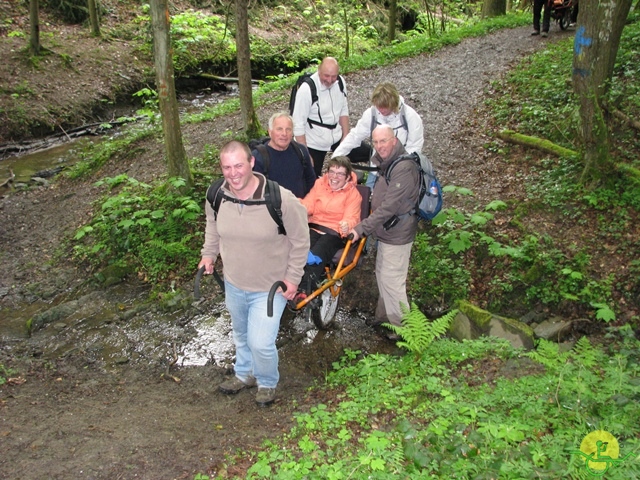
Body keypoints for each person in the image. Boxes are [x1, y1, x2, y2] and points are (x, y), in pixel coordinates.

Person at [198, 140, 309, 406]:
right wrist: (208, 253)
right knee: (241, 335)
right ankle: (244, 373)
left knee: (261, 342)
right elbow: (212, 225)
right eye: (227, 167)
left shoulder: (279, 198)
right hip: (234, 282)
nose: (233, 173)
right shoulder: (216, 194)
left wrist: (293, 278)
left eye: (238, 165)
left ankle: (267, 381)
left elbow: (300, 240)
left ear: (251, 163)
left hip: (270, 288)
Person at [348, 125, 420, 339]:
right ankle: (384, 319)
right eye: (376, 142)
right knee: (383, 275)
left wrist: (361, 229)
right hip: (387, 232)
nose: (380, 147)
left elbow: (389, 207)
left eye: (384, 141)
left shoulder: (404, 168)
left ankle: (406, 332)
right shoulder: (388, 163)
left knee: (393, 281)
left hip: (397, 233)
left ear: (394, 141)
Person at [332, 82, 423, 188]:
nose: (382, 110)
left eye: (385, 107)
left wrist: (399, 166)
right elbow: (355, 136)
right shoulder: (371, 114)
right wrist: (336, 157)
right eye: (379, 107)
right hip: (376, 171)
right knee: (368, 199)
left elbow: (415, 147)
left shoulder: (411, 117)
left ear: (394, 103)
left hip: (401, 172)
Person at [296, 156, 362, 298]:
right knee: (299, 247)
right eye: (331, 172)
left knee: (317, 252)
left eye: (340, 174)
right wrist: (297, 206)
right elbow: (309, 204)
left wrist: (346, 225)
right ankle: (290, 281)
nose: (334, 177)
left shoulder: (353, 194)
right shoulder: (320, 184)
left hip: (335, 232)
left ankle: (304, 290)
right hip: (314, 226)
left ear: (347, 177)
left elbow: (353, 217)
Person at [291, 57, 350, 178]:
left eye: (333, 76)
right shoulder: (306, 89)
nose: (330, 80)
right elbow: (298, 124)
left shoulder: (340, 83)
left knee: (366, 152)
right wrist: (306, 154)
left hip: (336, 135)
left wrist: (346, 137)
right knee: (311, 177)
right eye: (326, 76)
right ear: (318, 71)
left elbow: (344, 110)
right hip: (313, 141)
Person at [253, 112, 317, 198]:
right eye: (279, 129)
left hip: (300, 206)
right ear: (270, 132)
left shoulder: (301, 151)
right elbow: (255, 191)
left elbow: (311, 181)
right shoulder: (258, 157)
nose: (284, 134)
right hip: (272, 209)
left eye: (288, 129)